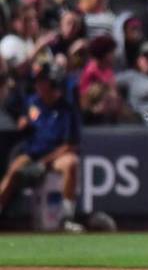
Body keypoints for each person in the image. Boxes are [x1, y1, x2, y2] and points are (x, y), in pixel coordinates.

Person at [0, 64, 115, 232]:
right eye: (38, 81)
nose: (39, 85)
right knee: (15, 168)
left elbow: (71, 145)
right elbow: (17, 110)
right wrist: (22, 120)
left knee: (71, 163)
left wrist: (44, 163)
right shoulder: (33, 103)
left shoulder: (67, 110)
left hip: (55, 156)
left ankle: (67, 218)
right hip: (33, 153)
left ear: (53, 83)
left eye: (43, 81)